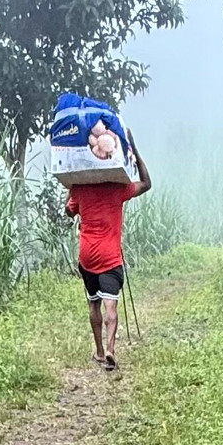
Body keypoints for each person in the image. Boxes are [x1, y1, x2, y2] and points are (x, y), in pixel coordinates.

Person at [65, 131, 152, 371]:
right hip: (110, 256)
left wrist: (71, 182)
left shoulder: (81, 190)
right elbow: (146, 183)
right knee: (110, 306)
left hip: (87, 255)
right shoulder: (117, 188)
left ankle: (100, 352)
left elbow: (69, 211)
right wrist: (134, 147)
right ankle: (111, 348)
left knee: (93, 304)